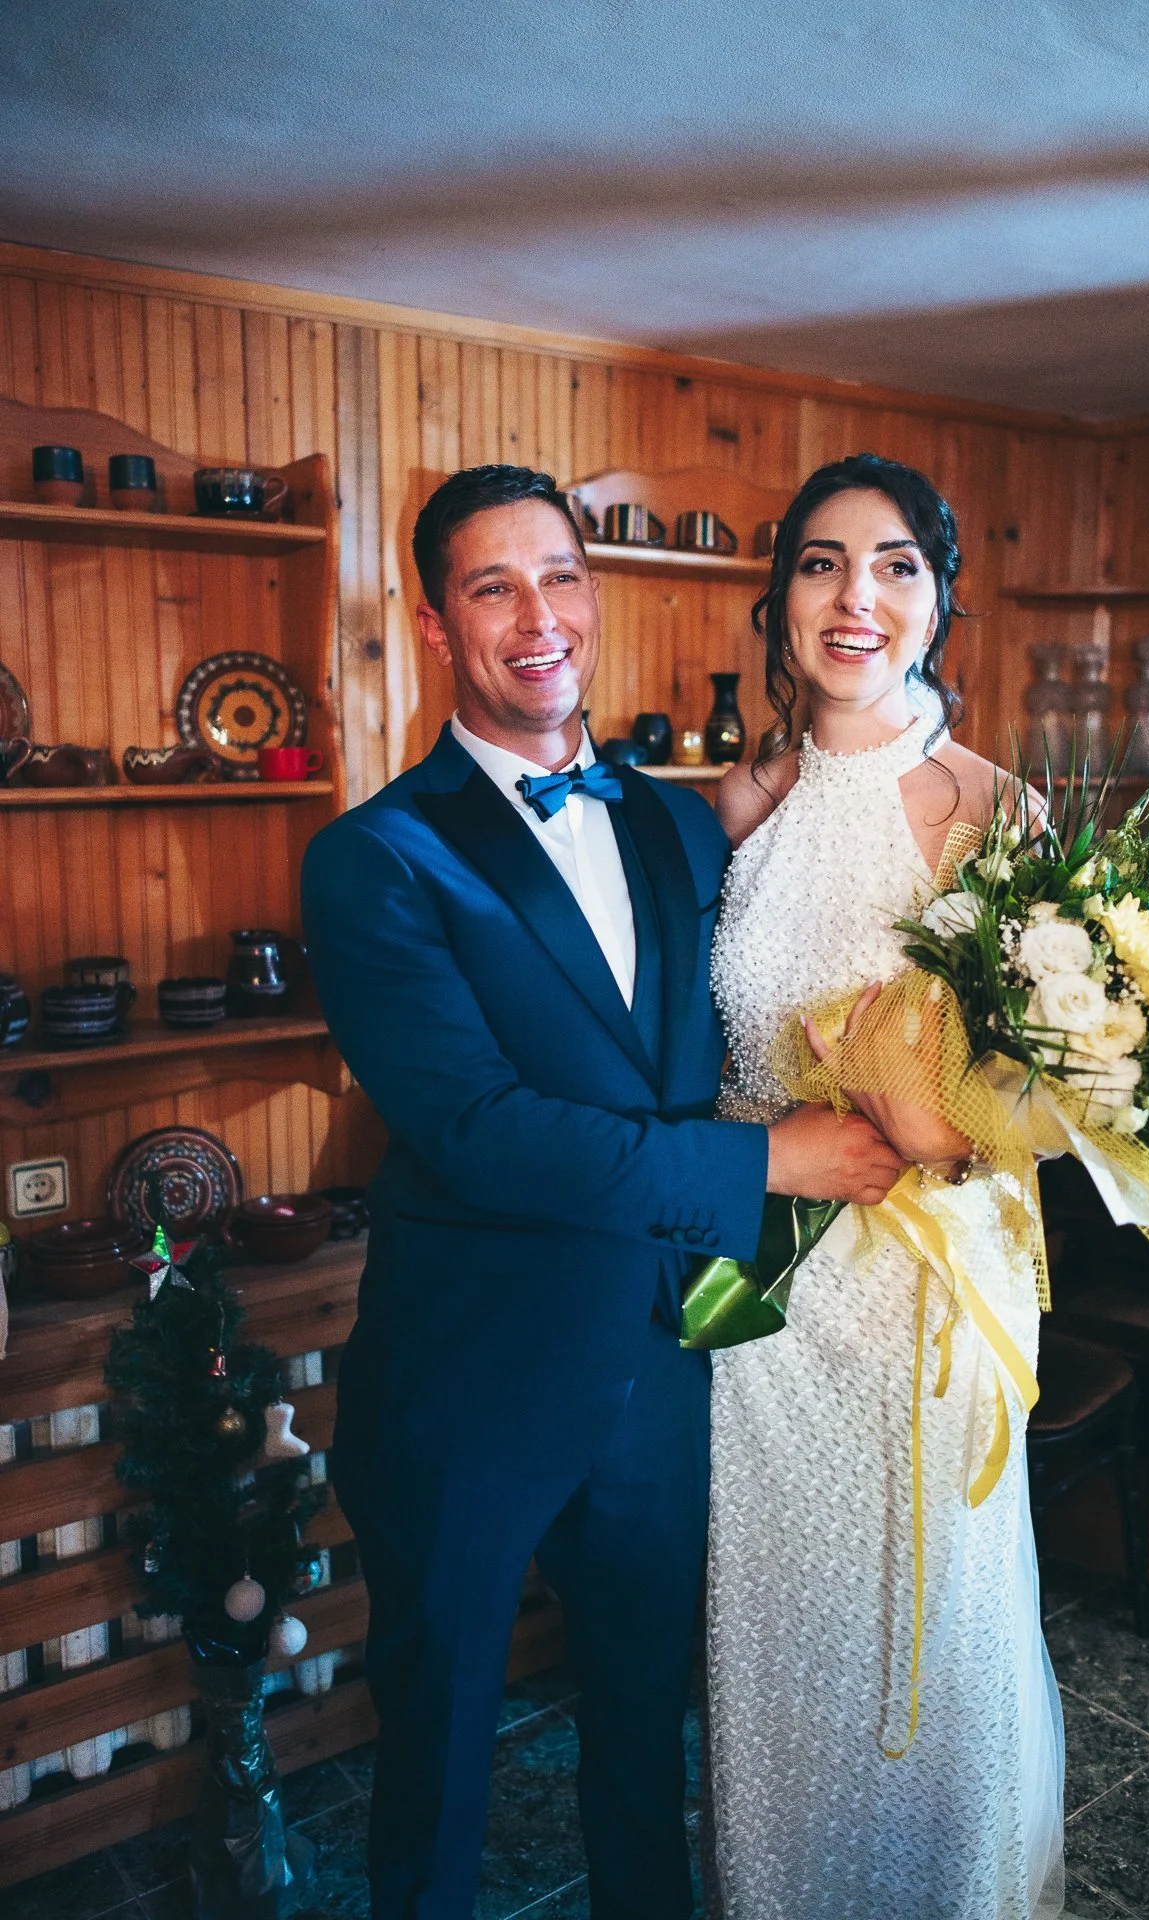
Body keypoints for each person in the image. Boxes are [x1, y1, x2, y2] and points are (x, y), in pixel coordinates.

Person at [300, 463, 904, 1920]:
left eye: (559, 575)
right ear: (438, 623)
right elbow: (479, 1128)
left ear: (593, 591)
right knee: (437, 1754)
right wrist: (771, 1162)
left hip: (664, 1360)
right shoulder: (372, 860)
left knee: (647, 1734)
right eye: (491, 586)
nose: (536, 616)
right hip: (468, 1382)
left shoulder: (680, 827)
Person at [706, 453, 1066, 1918]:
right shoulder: (735, 810)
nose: (858, 596)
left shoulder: (998, 813)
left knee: (933, 1643)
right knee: (783, 1642)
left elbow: (1055, 1096)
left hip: (927, 1308)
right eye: (821, 563)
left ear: (938, 602)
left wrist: (950, 1130)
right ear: (781, 600)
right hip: (763, 1306)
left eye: (897, 564)